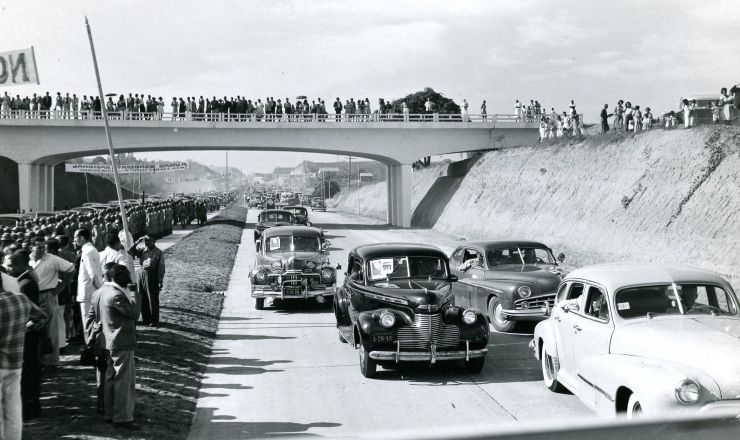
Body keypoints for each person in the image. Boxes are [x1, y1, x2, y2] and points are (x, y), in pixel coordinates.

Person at [0, 274, 47, 440]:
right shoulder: (20, 299)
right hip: (15, 363)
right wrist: (23, 328)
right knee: (13, 411)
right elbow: (42, 317)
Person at [97, 264, 140, 430]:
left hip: (110, 341)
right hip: (121, 341)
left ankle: (110, 413)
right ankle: (123, 417)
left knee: (110, 378)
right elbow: (134, 314)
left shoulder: (106, 292)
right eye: (125, 277)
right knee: (124, 380)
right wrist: (135, 293)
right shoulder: (117, 295)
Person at [7, 252, 44, 421]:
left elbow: (34, 314)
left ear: (20, 265)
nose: (8, 268)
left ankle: (31, 407)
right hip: (28, 337)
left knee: (29, 373)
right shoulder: (24, 281)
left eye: (11, 265)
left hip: (27, 338)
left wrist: (21, 329)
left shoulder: (25, 284)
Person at [30, 237, 74, 367]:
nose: (42, 250)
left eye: (43, 247)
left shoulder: (52, 259)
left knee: (51, 330)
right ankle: (37, 361)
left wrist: (60, 287)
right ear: (32, 247)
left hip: (47, 295)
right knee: (33, 330)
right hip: (31, 297)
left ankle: (52, 362)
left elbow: (71, 269)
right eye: (38, 247)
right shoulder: (27, 259)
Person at [85, 261, 116, 417]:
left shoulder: (96, 293)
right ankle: (111, 405)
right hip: (111, 338)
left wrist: (90, 338)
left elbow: (89, 318)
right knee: (111, 373)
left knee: (100, 372)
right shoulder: (115, 293)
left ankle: (101, 404)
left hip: (99, 338)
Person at [74, 229, 104, 344]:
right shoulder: (89, 249)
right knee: (91, 322)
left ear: (81, 238)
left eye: (75, 238)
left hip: (89, 292)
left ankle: (90, 347)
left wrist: (99, 290)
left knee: (88, 322)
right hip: (90, 291)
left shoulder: (87, 251)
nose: (74, 240)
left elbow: (94, 275)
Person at [128, 235, 164, 327]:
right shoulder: (142, 251)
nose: (147, 242)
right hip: (141, 274)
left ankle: (154, 320)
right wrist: (138, 241)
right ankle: (146, 319)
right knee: (142, 297)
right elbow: (130, 251)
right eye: (146, 241)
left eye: (149, 241)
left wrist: (160, 280)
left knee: (152, 298)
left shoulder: (158, 252)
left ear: (154, 241)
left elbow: (161, 267)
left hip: (152, 276)